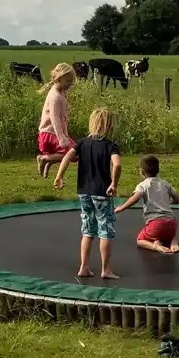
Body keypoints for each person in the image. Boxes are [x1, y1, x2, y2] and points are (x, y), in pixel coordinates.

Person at [53, 107, 122, 279]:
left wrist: (59, 175)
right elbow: (117, 164)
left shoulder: (82, 143)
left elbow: (67, 156)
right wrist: (114, 183)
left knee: (88, 231)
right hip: (102, 193)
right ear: (109, 126)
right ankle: (105, 270)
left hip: (84, 192)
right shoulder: (111, 146)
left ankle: (84, 267)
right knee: (105, 231)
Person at [114, 155, 179, 254]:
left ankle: (155, 246)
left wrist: (122, 207)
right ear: (158, 170)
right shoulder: (165, 183)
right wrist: (168, 202)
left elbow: (135, 198)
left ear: (142, 171)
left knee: (140, 240)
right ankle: (173, 242)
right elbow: (178, 199)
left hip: (156, 224)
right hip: (172, 223)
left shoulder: (143, 185)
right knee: (167, 233)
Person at [36, 62, 77, 177]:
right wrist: (62, 138)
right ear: (59, 79)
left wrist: (64, 135)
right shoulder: (55, 96)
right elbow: (55, 119)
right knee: (73, 153)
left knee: (74, 153)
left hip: (56, 133)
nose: (70, 84)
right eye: (68, 81)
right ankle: (44, 159)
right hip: (50, 133)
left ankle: (47, 161)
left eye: (71, 81)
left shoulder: (61, 92)